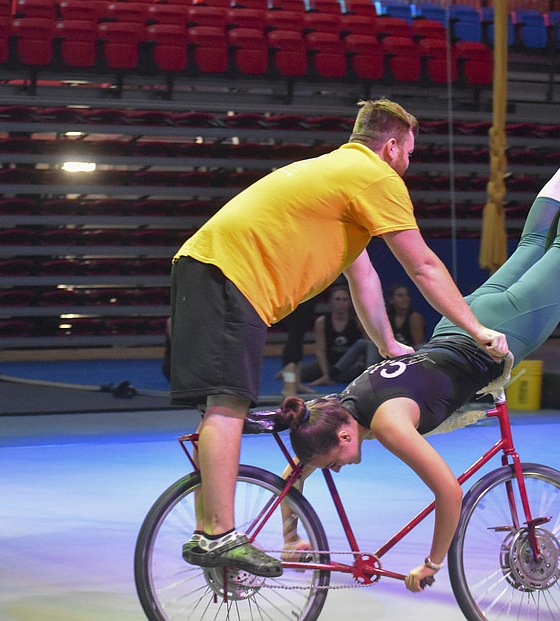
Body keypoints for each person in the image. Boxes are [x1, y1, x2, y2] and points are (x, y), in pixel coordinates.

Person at [274, 110, 560, 592]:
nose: (340, 468)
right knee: (536, 242)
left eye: (335, 462)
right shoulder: (335, 409)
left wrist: (430, 564)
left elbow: (450, 493)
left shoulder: (386, 426)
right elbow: (294, 471)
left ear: (346, 439)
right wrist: (290, 536)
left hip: (494, 332)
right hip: (459, 321)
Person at [169, 99, 508, 578]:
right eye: (408, 153)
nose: (407, 165)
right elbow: (424, 265)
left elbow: (363, 277)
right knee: (228, 405)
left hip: (203, 266)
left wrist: (389, 344)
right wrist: (476, 330)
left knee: (216, 408)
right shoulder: (375, 176)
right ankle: (218, 535)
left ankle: (210, 528)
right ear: (391, 147)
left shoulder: (336, 177)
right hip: (229, 274)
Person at [320, 283, 427, 383]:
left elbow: (417, 345)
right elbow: (373, 339)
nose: (405, 299)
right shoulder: (386, 316)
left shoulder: (414, 317)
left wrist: (397, 347)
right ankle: (337, 375)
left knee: (422, 347)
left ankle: (369, 379)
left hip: (405, 355)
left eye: (406, 296)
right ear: (391, 300)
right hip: (384, 356)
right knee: (367, 343)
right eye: (400, 296)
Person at [301, 285, 366, 386]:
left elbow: (367, 345)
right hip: (328, 363)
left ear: (350, 302)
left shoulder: (358, 321)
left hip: (350, 365)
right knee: (298, 375)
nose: (341, 303)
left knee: (355, 374)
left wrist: (359, 362)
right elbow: (320, 350)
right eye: (337, 300)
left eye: (345, 300)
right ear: (331, 301)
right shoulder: (322, 322)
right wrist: (326, 373)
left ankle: (335, 376)